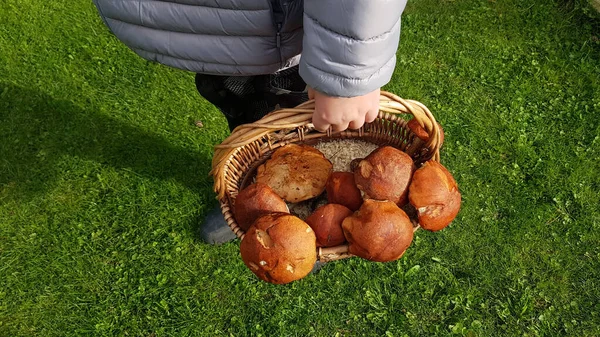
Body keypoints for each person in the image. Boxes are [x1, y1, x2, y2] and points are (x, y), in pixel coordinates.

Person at [92, 0, 409, 244]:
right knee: (236, 103)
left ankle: (311, 219)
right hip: (205, 26)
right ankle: (253, 195)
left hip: (283, 27)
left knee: (297, 118)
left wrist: (345, 68)